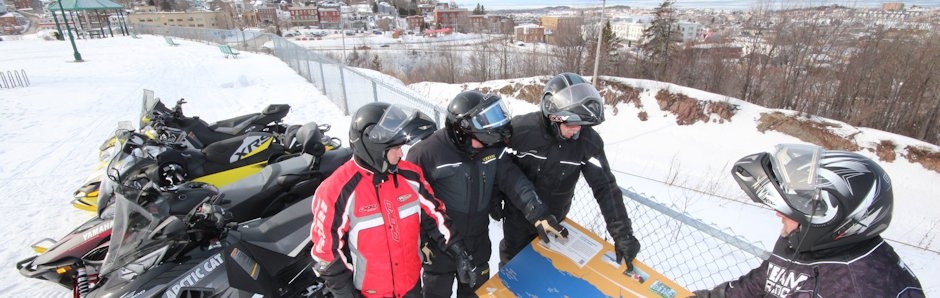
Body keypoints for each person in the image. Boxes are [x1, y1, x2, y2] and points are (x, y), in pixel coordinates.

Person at [693, 144, 923, 297]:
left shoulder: (865, 287)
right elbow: (766, 281)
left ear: (832, 216)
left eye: (798, 205)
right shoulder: (803, 238)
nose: (779, 214)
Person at [406, 91, 565, 297]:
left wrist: (539, 212)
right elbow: (411, 203)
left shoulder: (490, 148)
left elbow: (514, 181)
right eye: (481, 140)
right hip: (440, 245)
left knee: (476, 293)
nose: (486, 145)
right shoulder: (425, 154)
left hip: (478, 243)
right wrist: (421, 241)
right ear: (461, 132)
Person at [310, 102, 477, 298]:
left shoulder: (411, 176)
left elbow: (436, 216)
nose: (401, 153)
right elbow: (326, 252)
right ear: (373, 147)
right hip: (368, 293)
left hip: (411, 287)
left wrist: (459, 252)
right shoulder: (337, 189)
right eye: (395, 148)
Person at [498, 72, 641, 271]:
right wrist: (494, 200)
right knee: (513, 266)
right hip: (519, 216)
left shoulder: (588, 143)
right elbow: (499, 166)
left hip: (555, 219)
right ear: (553, 117)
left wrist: (622, 233)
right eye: (571, 125)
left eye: (581, 125)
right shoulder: (521, 131)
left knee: (545, 270)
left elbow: (605, 187)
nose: (576, 131)